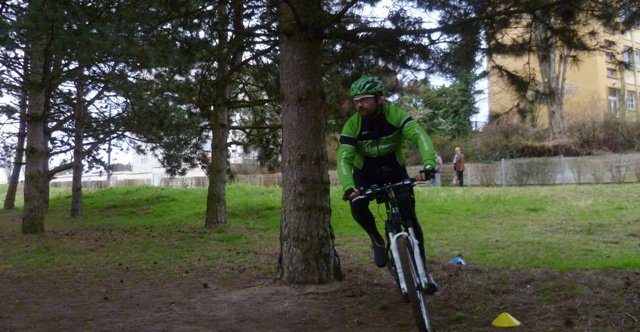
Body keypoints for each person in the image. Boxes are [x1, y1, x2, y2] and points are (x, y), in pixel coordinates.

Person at [337, 75, 438, 293]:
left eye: (364, 99)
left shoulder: (395, 115)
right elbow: (344, 158)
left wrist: (428, 165)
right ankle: (376, 239)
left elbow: (420, 136)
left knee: (409, 217)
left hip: (394, 170)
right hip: (366, 174)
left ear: (379, 98)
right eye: (356, 101)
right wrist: (348, 187)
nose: (359, 105)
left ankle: (423, 270)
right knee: (357, 205)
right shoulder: (353, 125)